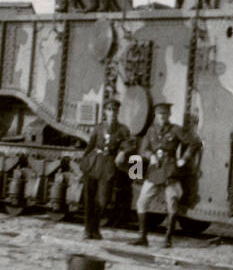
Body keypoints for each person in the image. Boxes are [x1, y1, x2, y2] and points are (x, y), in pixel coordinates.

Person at [133, 101, 187, 248]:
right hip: (155, 171)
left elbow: (194, 143)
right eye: (159, 114)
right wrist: (150, 155)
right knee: (141, 202)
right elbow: (142, 150)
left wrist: (184, 159)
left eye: (165, 114)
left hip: (170, 171)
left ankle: (168, 240)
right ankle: (142, 237)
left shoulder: (176, 130)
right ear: (155, 116)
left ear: (169, 115)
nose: (162, 116)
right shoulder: (151, 131)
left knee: (172, 204)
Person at [79, 98, 131, 239]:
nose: (112, 113)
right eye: (109, 110)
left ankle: (95, 227)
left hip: (108, 166)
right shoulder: (98, 127)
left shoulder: (123, 129)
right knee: (88, 198)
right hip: (93, 163)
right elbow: (90, 146)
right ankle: (88, 230)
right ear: (105, 112)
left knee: (103, 200)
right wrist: (83, 165)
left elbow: (129, 144)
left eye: (115, 110)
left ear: (118, 112)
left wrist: (122, 152)